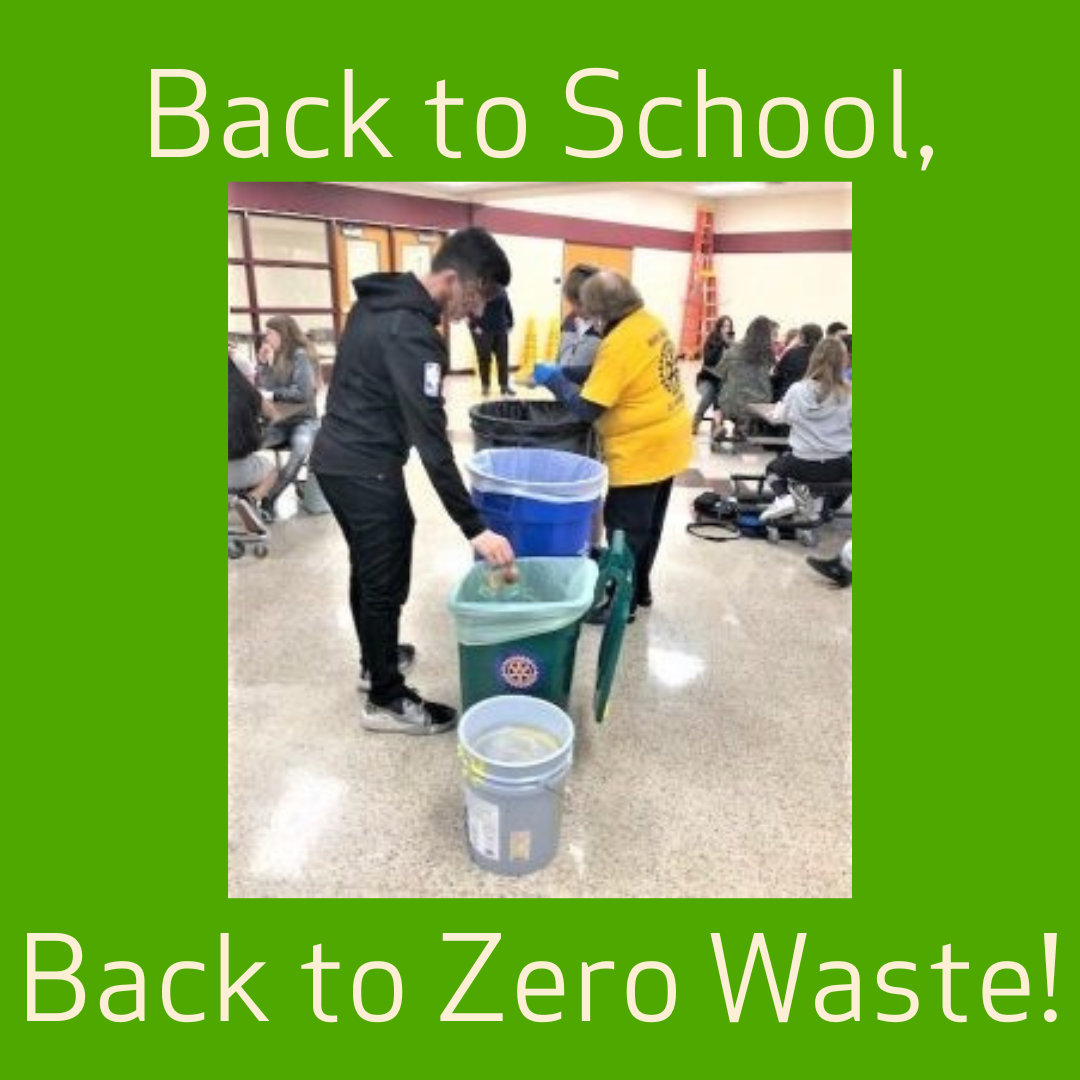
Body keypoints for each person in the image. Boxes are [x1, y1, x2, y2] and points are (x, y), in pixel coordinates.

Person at [310, 227, 515, 736]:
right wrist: (475, 526)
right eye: (477, 296)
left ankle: (374, 660)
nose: (476, 312)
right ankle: (385, 698)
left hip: (339, 458)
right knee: (385, 577)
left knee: (368, 566)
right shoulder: (413, 333)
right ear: (452, 277)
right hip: (365, 466)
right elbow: (431, 439)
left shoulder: (377, 302)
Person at [530, 271, 692, 622]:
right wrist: (568, 370)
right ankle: (641, 590)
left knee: (625, 531)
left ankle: (620, 605)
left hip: (641, 450)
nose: (586, 319)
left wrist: (555, 380)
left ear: (601, 311)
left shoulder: (619, 343)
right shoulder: (648, 322)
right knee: (649, 526)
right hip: (670, 440)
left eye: (588, 312)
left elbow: (588, 407)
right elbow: (611, 370)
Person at [760, 336, 852, 522]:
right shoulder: (850, 393)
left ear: (814, 358)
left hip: (802, 463)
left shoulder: (797, 390)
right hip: (839, 465)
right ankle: (827, 507)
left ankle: (785, 498)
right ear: (843, 361)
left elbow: (779, 418)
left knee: (772, 470)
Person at [255, 315, 320, 521]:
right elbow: (266, 387)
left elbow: (304, 393)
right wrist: (263, 363)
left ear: (282, 333)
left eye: (270, 333)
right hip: (280, 421)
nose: (266, 338)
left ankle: (269, 499)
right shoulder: (278, 354)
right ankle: (249, 496)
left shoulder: (301, 355)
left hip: (304, 421)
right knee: (251, 442)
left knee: (299, 451)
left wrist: (274, 394)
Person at [712, 315, 777, 438]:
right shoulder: (768, 355)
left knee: (722, 387)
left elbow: (719, 373)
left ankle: (721, 424)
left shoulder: (734, 349)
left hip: (731, 403)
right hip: (760, 404)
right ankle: (744, 426)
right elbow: (772, 375)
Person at [228, 355, 278, 506]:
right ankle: (250, 500)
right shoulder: (245, 390)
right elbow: (274, 414)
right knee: (272, 471)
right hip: (239, 468)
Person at [469, 285, 514, 396]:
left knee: (503, 358)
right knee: (484, 358)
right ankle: (485, 386)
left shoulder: (501, 288)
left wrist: (511, 322)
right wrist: (474, 326)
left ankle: (504, 385)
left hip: (501, 328)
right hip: (483, 329)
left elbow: (507, 306)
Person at [554, 263, 602, 368]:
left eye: (581, 304)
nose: (577, 309)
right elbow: (560, 359)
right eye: (573, 303)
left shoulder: (606, 328)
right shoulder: (569, 321)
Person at [692, 315, 735, 433]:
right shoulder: (712, 340)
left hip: (722, 382)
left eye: (729, 326)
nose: (726, 329)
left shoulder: (732, 343)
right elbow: (708, 361)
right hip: (706, 380)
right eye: (724, 326)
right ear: (719, 327)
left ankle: (718, 426)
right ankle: (697, 419)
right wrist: (721, 344)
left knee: (721, 394)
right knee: (710, 393)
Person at [771, 322, 824, 402]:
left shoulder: (792, 353)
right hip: (815, 398)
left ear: (802, 337)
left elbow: (778, 373)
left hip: (788, 395)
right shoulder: (824, 356)